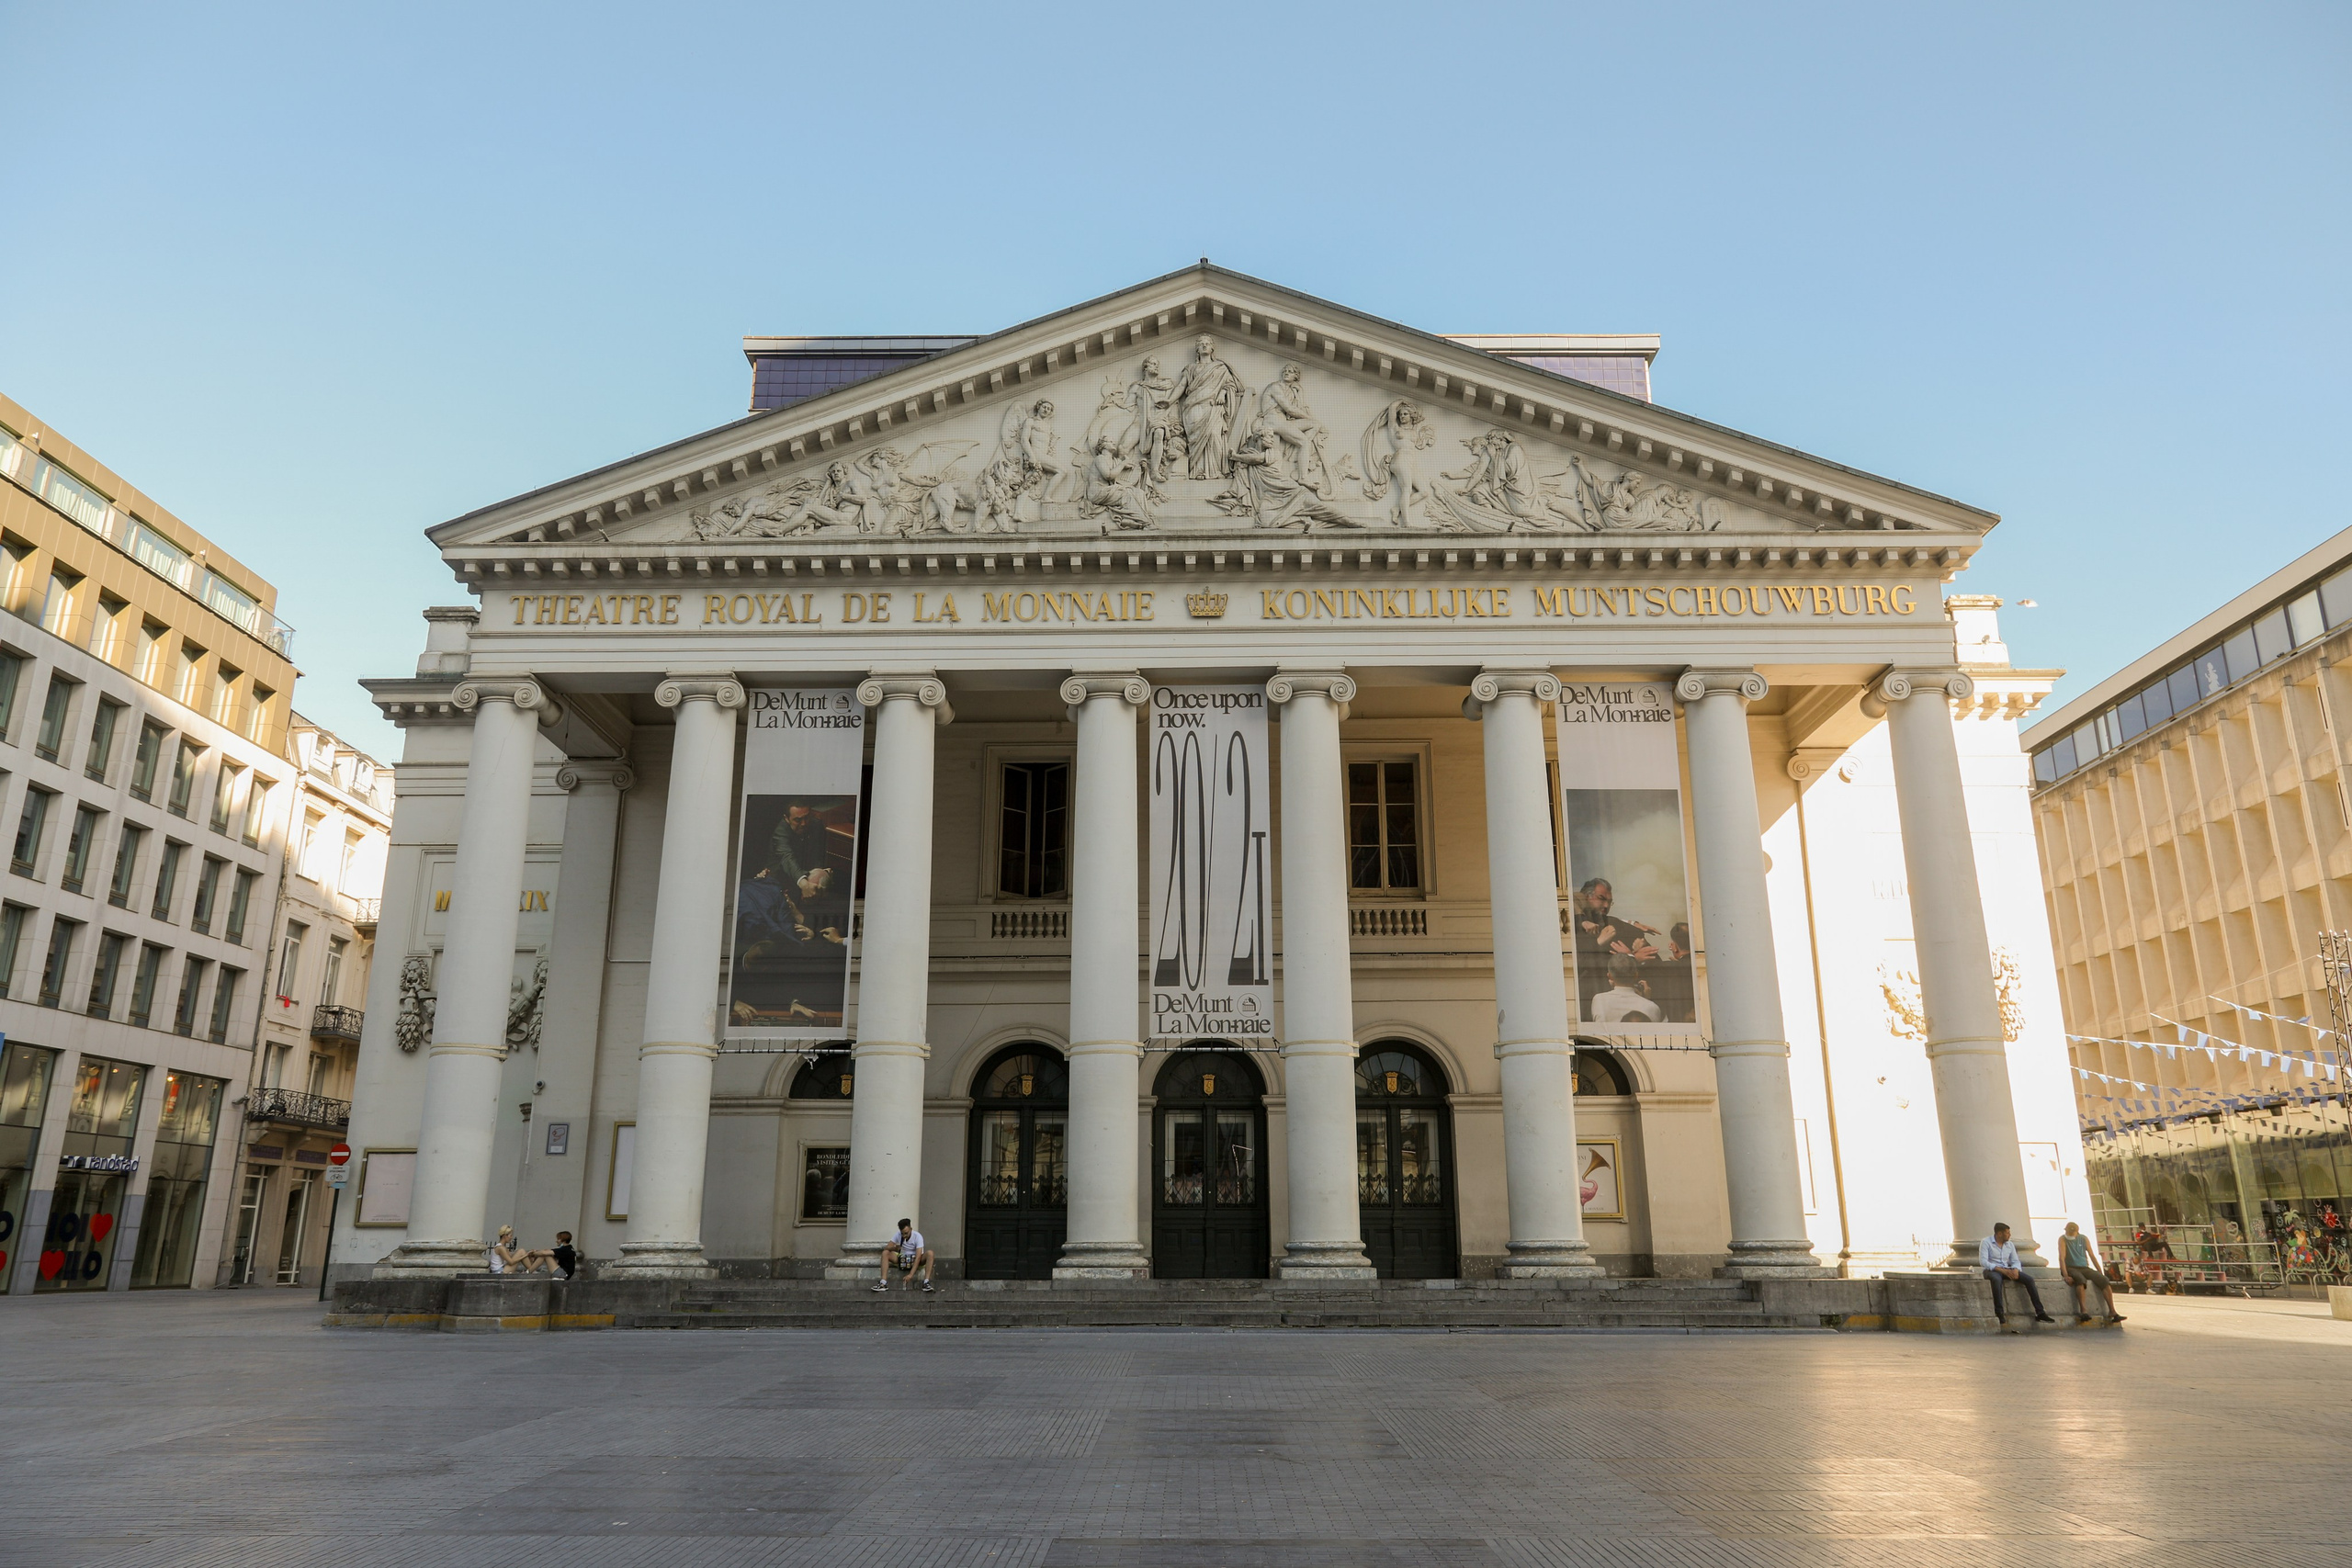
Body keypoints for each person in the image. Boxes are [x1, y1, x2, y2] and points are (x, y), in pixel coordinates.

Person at [1981, 1223, 2055, 1329]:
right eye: (2007, 1233)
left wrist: (2015, 1270)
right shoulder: (1986, 1242)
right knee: (1997, 1281)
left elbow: (2015, 1261)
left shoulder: (2009, 1245)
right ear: (1999, 1233)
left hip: (2007, 1269)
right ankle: (1999, 1313)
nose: (2009, 1235)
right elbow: (1983, 1262)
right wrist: (2001, 1270)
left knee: (2029, 1280)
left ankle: (2040, 1312)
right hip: (1992, 1270)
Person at [2055, 1221, 2122, 1324]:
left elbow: (2092, 1255)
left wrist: (2100, 1271)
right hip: (2070, 1267)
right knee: (2080, 1281)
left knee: (2104, 1281)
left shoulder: (2083, 1239)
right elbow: (2062, 1258)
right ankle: (2084, 1311)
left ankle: (2112, 1311)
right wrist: (2065, 1275)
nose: (2070, 1234)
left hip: (2084, 1267)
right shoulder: (2063, 1239)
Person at [1589, 955, 1664, 1024]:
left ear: (1610, 976)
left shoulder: (1599, 1000)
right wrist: (1647, 1000)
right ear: (1636, 975)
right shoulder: (1652, 1007)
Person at [874, 1218, 935, 1293]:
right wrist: (894, 1248)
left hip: (916, 1259)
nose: (904, 1236)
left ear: (911, 1229)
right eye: (902, 1233)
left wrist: (910, 1275)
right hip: (902, 1259)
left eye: (906, 1233)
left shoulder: (917, 1236)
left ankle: (926, 1282)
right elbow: (887, 1247)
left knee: (930, 1253)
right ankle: (883, 1283)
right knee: (885, 1253)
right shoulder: (898, 1235)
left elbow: (918, 1257)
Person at [490, 1225, 557, 1276]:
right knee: (521, 1251)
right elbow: (511, 1262)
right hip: (499, 1272)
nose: (511, 1237)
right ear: (505, 1236)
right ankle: (532, 1270)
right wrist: (526, 1255)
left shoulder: (503, 1247)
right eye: (510, 1235)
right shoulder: (500, 1248)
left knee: (521, 1251)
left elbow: (513, 1257)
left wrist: (527, 1255)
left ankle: (531, 1270)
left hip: (502, 1268)